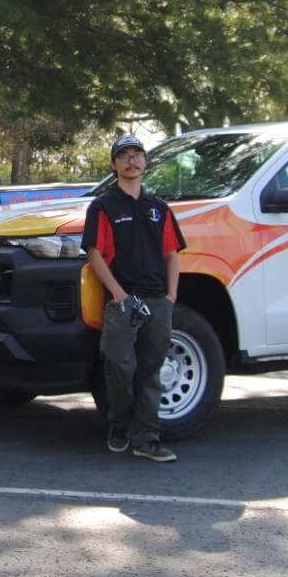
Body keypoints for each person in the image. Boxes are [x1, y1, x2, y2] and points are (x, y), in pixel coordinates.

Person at [80, 134, 186, 461]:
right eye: (123, 155)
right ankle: (119, 423)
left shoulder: (158, 208)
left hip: (157, 300)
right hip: (122, 301)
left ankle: (147, 439)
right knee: (119, 366)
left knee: (151, 371)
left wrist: (170, 297)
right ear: (113, 165)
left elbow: (172, 253)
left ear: (145, 161)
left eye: (137, 154)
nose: (132, 160)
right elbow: (95, 253)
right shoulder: (103, 207)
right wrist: (117, 293)